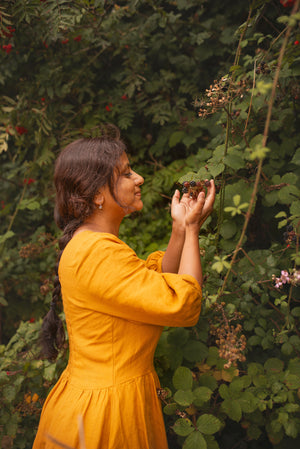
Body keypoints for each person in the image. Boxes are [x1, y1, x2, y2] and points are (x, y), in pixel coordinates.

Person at [32, 125, 215, 449]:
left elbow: (151, 290)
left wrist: (180, 231)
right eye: (126, 173)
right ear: (97, 194)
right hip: (105, 416)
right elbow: (183, 303)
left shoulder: (93, 246)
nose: (139, 178)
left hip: (103, 401)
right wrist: (191, 231)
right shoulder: (96, 253)